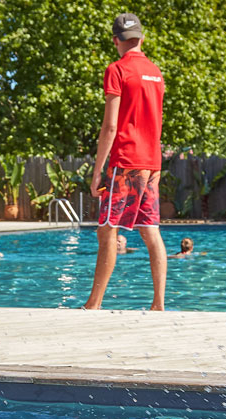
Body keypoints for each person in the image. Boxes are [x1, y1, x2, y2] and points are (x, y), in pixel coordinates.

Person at [85, 13, 167, 311]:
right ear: (141, 38)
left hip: (125, 159)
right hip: (153, 162)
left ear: (115, 39)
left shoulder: (117, 70)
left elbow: (110, 127)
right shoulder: (156, 72)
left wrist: (97, 173)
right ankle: (158, 304)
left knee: (107, 229)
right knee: (150, 230)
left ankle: (93, 304)